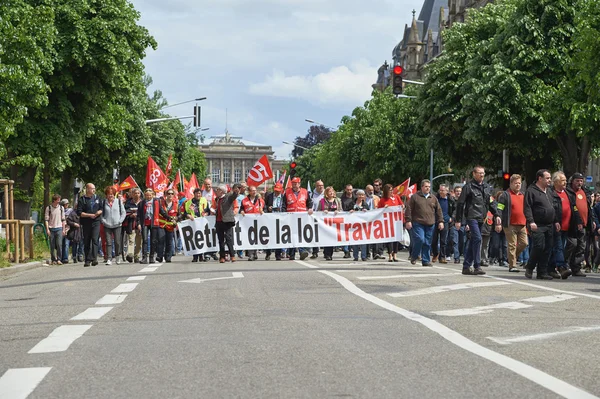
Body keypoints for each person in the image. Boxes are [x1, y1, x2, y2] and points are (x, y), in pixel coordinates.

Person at [455, 166, 501, 275]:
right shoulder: (468, 187)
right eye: (479, 173)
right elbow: (460, 203)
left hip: (482, 217)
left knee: (473, 241)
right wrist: (458, 220)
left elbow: (491, 202)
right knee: (477, 239)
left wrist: (497, 214)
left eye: (483, 173)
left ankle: (466, 266)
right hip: (472, 216)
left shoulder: (486, 187)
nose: (482, 175)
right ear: (474, 174)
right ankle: (477, 265)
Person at [524, 169, 559, 279]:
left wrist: (556, 220)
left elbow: (554, 207)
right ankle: (530, 267)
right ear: (540, 178)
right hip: (537, 224)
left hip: (549, 224)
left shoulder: (549, 191)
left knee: (548, 248)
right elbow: (527, 207)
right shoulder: (531, 191)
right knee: (539, 246)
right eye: (547, 178)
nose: (549, 180)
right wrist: (531, 221)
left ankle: (542, 272)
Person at [405, 180, 443, 267]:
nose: (428, 188)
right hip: (418, 222)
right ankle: (414, 255)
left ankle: (425, 260)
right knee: (420, 239)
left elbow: (439, 210)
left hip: (430, 223)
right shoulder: (415, 197)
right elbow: (409, 209)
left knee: (427, 242)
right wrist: (408, 220)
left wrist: (441, 221)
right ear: (422, 187)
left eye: (429, 187)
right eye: (426, 186)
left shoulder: (433, 198)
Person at [565, 173, 594, 277]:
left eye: (581, 181)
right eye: (577, 181)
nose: (579, 183)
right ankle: (564, 265)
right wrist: (577, 222)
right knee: (572, 245)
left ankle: (576, 268)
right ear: (572, 181)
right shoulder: (568, 192)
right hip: (572, 224)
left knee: (581, 247)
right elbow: (573, 208)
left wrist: (592, 221)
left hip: (584, 224)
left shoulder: (584, 192)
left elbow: (589, 208)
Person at [496, 175, 527, 272]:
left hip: (522, 224)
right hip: (510, 224)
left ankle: (511, 258)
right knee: (512, 245)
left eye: (519, 183)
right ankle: (512, 265)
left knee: (524, 243)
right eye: (515, 183)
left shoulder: (523, 195)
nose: (518, 185)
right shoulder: (505, 195)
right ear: (511, 184)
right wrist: (498, 219)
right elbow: (500, 208)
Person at [548, 172, 574, 279]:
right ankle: (562, 267)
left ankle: (550, 268)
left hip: (567, 226)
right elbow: (551, 209)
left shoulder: (568, 193)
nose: (565, 182)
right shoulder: (551, 193)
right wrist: (555, 221)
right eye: (563, 180)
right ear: (556, 182)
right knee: (558, 247)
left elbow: (573, 208)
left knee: (560, 248)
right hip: (556, 226)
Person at [284, 177, 313, 260]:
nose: (294, 185)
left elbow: (309, 202)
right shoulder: (287, 192)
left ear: (299, 184)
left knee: (300, 235)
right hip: (291, 217)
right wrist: (283, 213)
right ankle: (291, 253)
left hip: (302, 218)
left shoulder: (305, 192)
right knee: (292, 235)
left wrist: (310, 208)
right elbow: (284, 204)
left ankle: (301, 251)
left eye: (296, 183)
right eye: (293, 183)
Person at [77, 183, 102, 267]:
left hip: (96, 222)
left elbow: (102, 208)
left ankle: (94, 258)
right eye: (92, 188)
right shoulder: (82, 199)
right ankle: (87, 259)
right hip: (86, 223)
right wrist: (89, 215)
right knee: (87, 241)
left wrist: (99, 212)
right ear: (87, 189)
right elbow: (79, 212)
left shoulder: (97, 198)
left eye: (94, 188)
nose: (94, 190)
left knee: (95, 240)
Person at [181, 188, 210, 262]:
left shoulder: (204, 200)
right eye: (197, 193)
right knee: (194, 239)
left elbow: (208, 211)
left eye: (199, 193)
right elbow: (185, 213)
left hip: (202, 222)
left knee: (201, 239)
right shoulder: (188, 202)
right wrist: (189, 216)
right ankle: (195, 256)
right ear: (194, 194)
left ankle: (201, 256)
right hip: (193, 222)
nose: (198, 195)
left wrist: (206, 214)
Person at [214, 184, 240, 263]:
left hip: (227, 221)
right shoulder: (217, 199)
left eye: (218, 190)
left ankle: (232, 255)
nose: (216, 191)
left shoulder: (228, 197)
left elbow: (233, 196)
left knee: (229, 239)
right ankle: (222, 257)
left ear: (221, 191)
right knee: (221, 240)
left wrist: (235, 192)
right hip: (219, 221)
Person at [137, 188, 164, 264]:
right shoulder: (141, 203)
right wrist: (138, 223)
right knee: (145, 240)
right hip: (145, 223)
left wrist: (168, 217)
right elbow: (138, 215)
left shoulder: (157, 202)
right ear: (145, 196)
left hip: (154, 223)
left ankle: (151, 257)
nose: (148, 197)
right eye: (147, 195)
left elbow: (161, 211)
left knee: (153, 241)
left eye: (150, 195)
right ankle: (144, 257)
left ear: (152, 195)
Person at [101, 186, 126, 265]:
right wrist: (104, 221)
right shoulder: (103, 202)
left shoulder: (118, 202)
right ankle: (109, 258)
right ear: (106, 195)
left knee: (117, 242)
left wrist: (120, 221)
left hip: (117, 225)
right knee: (108, 242)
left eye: (112, 194)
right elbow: (101, 213)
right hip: (107, 225)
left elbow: (123, 213)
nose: (110, 196)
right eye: (109, 194)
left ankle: (117, 257)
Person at [317, 186, 342, 261]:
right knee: (327, 237)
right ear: (326, 193)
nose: (331, 193)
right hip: (325, 223)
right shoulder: (322, 201)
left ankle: (328, 253)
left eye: (332, 191)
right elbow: (318, 211)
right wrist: (323, 212)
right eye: (329, 191)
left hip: (335, 222)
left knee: (332, 238)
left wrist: (338, 211)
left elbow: (341, 209)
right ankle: (328, 254)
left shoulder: (337, 200)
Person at [378, 184, 402, 262]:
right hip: (387, 222)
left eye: (392, 190)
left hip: (396, 220)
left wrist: (402, 206)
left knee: (396, 238)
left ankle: (395, 254)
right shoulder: (382, 200)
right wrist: (384, 208)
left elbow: (401, 205)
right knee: (390, 238)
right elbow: (378, 210)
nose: (392, 192)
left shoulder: (396, 197)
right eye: (390, 190)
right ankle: (390, 255)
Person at [240, 185, 265, 261]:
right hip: (248, 223)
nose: (254, 192)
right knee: (250, 238)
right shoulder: (244, 201)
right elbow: (241, 209)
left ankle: (255, 253)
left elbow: (265, 210)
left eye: (255, 190)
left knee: (256, 238)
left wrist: (263, 211)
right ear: (249, 192)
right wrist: (242, 211)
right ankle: (251, 254)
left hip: (258, 222)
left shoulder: (260, 201)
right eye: (252, 190)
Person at [432, 184, 454, 264]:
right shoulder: (435, 199)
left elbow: (455, 210)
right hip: (435, 221)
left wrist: (452, 218)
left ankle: (442, 257)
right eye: (440, 190)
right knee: (434, 240)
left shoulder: (451, 200)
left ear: (447, 191)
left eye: (443, 190)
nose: (441, 192)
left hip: (445, 222)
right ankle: (435, 253)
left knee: (443, 240)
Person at [265, 183, 286, 260]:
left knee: (279, 237)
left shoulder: (283, 197)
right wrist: (268, 208)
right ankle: (268, 253)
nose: (277, 193)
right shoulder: (269, 196)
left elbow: (285, 207)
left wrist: (281, 209)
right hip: (271, 218)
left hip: (280, 219)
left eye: (278, 191)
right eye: (276, 191)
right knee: (269, 236)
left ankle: (278, 254)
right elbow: (265, 206)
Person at [157, 189, 179, 263]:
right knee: (161, 240)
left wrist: (177, 218)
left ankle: (168, 256)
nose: (170, 195)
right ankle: (159, 256)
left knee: (169, 242)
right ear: (165, 195)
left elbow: (180, 214)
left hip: (170, 226)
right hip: (161, 224)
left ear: (173, 195)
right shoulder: (161, 203)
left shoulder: (176, 204)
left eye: (172, 194)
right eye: (168, 193)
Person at [45, 194, 66, 265]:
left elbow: (63, 219)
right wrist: (47, 229)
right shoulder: (49, 208)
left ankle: (59, 259)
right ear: (54, 200)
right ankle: (53, 259)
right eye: (58, 200)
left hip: (59, 228)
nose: (59, 201)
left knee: (59, 244)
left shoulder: (61, 208)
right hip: (51, 228)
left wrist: (64, 229)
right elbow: (46, 219)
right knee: (52, 245)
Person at [123, 188, 143, 263]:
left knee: (139, 241)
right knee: (131, 240)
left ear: (140, 194)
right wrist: (131, 215)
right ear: (132, 194)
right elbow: (125, 212)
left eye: (138, 193)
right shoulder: (128, 203)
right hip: (131, 224)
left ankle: (136, 256)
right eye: (135, 193)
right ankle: (130, 255)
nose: (136, 194)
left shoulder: (143, 202)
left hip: (140, 224)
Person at [350, 189, 370, 261]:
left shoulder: (365, 204)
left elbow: (370, 214)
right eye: (359, 195)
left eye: (362, 195)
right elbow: (346, 211)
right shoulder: (352, 203)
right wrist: (351, 211)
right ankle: (355, 256)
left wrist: (366, 211)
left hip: (363, 226)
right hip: (354, 225)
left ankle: (363, 256)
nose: (360, 196)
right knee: (355, 241)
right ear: (356, 195)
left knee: (363, 241)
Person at [365, 184, 383, 260]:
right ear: (366, 190)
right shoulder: (364, 198)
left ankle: (375, 253)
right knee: (367, 237)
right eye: (369, 190)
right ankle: (367, 254)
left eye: (372, 190)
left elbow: (380, 207)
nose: (371, 191)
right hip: (366, 220)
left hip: (375, 219)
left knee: (375, 236)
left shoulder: (377, 198)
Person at [448, 185, 464, 263]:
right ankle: (456, 258)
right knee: (455, 241)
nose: (458, 193)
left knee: (462, 242)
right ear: (454, 192)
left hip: (463, 224)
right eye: (457, 191)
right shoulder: (452, 202)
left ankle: (460, 254)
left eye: (460, 191)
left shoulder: (465, 202)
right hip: (454, 224)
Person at [310, 180, 325, 259]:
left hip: (324, 218)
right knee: (315, 235)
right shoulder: (312, 195)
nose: (321, 187)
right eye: (319, 185)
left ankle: (327, 253)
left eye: (322, 185)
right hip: (315, 218)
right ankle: (315, 252)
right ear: (316, 186)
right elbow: (311, 205)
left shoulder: (326, 194)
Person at [60, 199, 73, 264]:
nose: (66, 205)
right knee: (60, 244)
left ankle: (65, 258)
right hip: (60, 229)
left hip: (68, 229)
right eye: (65, 204)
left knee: (66, 243)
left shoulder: (70, 211)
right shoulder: (59, 211)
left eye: (67, 204)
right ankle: (61, 257)